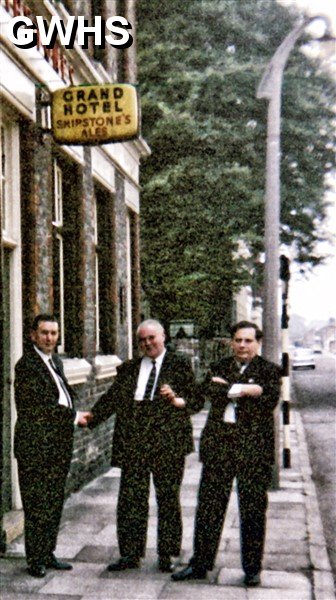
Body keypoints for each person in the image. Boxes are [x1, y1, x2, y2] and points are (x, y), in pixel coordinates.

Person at [81, 319, 202, 573]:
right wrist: (91, 418)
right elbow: (112, 398)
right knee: (131, 499)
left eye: (151, 338)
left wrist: (177, 400)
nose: (147, 343)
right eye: (142, 340)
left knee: (167, 498)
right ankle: (130, 554)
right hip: (134, 440)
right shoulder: (130, 368)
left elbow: (197, 399)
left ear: (163, 337)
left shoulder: (180, 365)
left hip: (168, 441)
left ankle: (167, 553)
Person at [172, 321, 281, 587]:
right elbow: (203, 393)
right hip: (219, 447)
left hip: (253, 450)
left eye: (248, 341)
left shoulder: (270, 370)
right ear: (231, 342)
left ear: (257, 343)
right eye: (238, 340)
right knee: (209, 507)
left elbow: (269, 400)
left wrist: (231, 389)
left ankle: (252, 569)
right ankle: (200, 563)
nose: (242, 345)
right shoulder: (218, 367)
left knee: (253, 510)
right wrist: (247, 390)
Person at [14, 314, 88, 577]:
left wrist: (76, 409)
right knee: (36, 503)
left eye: (54, 333)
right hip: (35, 446)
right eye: (44, 333)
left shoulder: (54, 361)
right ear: (33, 335)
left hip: (57, 444)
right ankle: (35, 559)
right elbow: (40, 407)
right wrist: (74, 416)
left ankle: (48, 552)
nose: (50, 338)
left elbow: (63, 394)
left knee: (54, 501)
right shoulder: (26, 366)